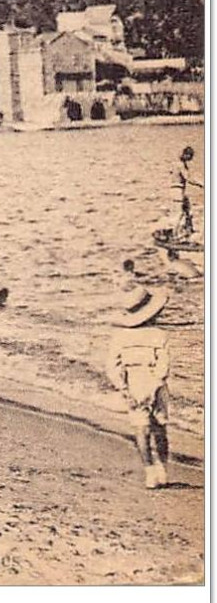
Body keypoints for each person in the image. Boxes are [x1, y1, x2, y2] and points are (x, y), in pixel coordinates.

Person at [105, 260, 173, 489]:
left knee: (141, 429)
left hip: (136, 384)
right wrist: (152, 388)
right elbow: (163, 366)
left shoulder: (120, 337)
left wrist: (124, 389)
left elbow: (113, 368)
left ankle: (151, 470)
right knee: (158, 427)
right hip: (153, 383)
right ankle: (160, 469)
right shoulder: (159, 335)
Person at [174, 146, 202, 240]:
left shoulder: (180, 163)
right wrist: (201, 183)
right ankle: (175, 235)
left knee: (188, 211)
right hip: (177, 190)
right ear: (186, 155)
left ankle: (188, 231)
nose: (190, 159)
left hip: (180, 190)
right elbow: (188, 178)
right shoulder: (180, 165)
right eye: (190, 157)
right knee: (180, 213)